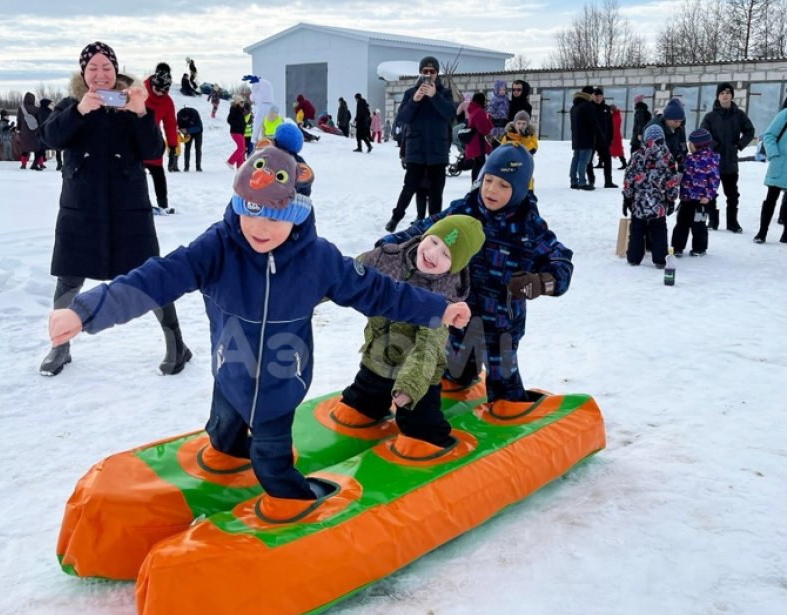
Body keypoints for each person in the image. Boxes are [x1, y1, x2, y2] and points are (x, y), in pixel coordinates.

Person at [46, 123, 472, 505]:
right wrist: (86, 311)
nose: (259, 227)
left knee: (271, 457)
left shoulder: (317, 260)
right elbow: (157, 278)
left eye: (275, 215)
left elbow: (380, 292)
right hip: (228, 371)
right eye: (251, 210)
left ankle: (292, 500)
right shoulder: (218, 247)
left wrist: (439, 307)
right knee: (224, 427)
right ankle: (228, 454)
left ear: (298, 214)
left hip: (279, 384)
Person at [38, 41, 191, 377]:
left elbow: (153, 150)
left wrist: (139, 113)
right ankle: (60, 346)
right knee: (69, 278)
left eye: (106, 67)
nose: (100, 74)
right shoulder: (71, 106)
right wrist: (79, 111)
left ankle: (177, 345)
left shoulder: (132, 104)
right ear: (83, 73)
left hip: (127, 210)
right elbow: (50, 138)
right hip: (81, 209)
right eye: (92, 68)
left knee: (151, 276)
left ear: (116, 71)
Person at [379, 144, 574, 402]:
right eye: (489, 180)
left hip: (501, 324)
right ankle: (458, 385)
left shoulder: (528, 229)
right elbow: (427, 229)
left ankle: (510, 411)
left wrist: (540, 282)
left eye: (504, 185)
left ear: (519, 189)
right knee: (456, 370)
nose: (492, 190)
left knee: (503, 381)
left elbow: (561, 262)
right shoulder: (464, 212)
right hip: (460, 314)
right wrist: (392, 244)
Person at [338, 215, 485, 450]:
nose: (433, 254)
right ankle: (369, 407)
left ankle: (431, 442)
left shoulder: (443, 298)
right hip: (377, 359)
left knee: (418, 422)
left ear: (455, 265)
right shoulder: (386, 259)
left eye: (446, 254)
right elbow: (343, 278)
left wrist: (409, 388)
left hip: (419, 374)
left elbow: (428, 348)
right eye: (434, 241)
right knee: (360, 404)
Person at [384, 56, 453, 232]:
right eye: (425, 71)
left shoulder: (444, 93)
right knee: (410, 186)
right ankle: (395, 218)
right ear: (420, 73)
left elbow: (449, 115)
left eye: (432, 72)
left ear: (437, 73)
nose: (428, 75)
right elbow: (402, 119)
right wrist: (415, 100)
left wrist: (435, 96)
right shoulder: (410, 93)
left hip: (437, 150)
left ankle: (434, 225)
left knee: (436, 192)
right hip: (416, 149)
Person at [622, 124, 680, 268]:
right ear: (663, 138)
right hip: (658, 203)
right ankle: (660, 259)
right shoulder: (668, 157)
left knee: (637, 230)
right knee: (659, 230)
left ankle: (634, 258)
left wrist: (627, 197)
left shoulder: (637, 155)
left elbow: (629, 178)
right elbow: (671, 180)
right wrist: (671, 199)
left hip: (639, 202)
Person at [700, 82, 755, 233]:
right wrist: (714, 145)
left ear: (732, 95)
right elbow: (703, 134)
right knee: (710, 192)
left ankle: (732, 222)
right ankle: (713, 220)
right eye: (722, 93)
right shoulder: (710, 117)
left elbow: (750, 131)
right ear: (718, 96)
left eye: (728, 92)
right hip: (713, 162)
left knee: (732, 194)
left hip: (731, 162)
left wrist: (739, 145)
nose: (725, 95)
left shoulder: (739, 115)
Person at [670, 129, 719, 256]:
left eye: (690, 143)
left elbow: (714, 180)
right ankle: (677, 247)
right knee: (682, 223)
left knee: (699, 225)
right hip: (686, 199)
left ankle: (699, 248)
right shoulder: (688, 159)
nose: (688, 145)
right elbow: (681, 174)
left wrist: (708, 196)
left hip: (701, 201)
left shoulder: (711, 160)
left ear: (697, 144)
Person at [143, 62, 178, 214]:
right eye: (157, 89)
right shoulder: (139, 91)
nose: (159, 93)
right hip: (133, 142)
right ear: (153, 83)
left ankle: (163, 205)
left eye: (163, 91)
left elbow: (170, 125)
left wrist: (172, 147)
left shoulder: (167, 102)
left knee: (158, 173)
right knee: (135, 175)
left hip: (152, 142)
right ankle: (136, 202)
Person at [753, 102, 787, 244]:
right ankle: (762, 233)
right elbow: (769, 135)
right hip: (781, 163)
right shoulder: (785, 114)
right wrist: (774, 155)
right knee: (771, 198)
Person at [569, 85, 601, 190]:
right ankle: (582, 182)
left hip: (576, 137)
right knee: (584, 160)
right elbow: (593, 123)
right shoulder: (588, 105)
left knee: (576, 159)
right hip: (587, 137)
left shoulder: (574, 106)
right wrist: (600, 136)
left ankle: (573, 181)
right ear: (590, 94)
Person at [500, 111, 537, 192]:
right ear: (514, 124)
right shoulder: (508, 136)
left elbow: (533, 150)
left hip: (525, 166)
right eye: (519, 123)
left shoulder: (531, 135)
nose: (521, 126)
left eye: (524, 124)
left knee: (527, 188)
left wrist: (525, 139)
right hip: (511, 167)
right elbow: (502, 152)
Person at [645, 98, 687, 169]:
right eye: (675, 121)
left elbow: (682, 144)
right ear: (667, 118)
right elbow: (650, 149)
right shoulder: (654, 128)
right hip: (655, 166)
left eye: (680, 121)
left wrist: (680, 156)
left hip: (670, 164)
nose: (678, 124)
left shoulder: (680, 127)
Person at [588, 88, 617, 188]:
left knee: (607, 160)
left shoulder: (606, 108)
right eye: (596, 96)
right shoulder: (589, 107)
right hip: (591, 139)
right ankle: (591, 180)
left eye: (600, 96)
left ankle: (608, 181)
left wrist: (610, 139)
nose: (598, 98)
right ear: (592, 96)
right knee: (589, 160)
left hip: (603, 139)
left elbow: (610, 125)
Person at [462, 92, 493, 185]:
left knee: (477, 164)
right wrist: (489, 127)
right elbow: (483, 129)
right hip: (479, 144)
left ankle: (475, 184)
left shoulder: (473, 110)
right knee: (480, 164)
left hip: (474, 143)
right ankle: (477, 184)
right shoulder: (479, 112)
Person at [17, 91, 44, 170]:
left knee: (24, 149)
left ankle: (23, 164)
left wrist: (18, 130)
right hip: (35, 132)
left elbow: (19, 120)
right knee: (37, 149)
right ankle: (40, 164)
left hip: (24, 132)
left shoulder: (21, 109)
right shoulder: (37, 109)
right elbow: (40, 120)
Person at [176, 105, 203, 171]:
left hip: (197, 132)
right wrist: (181, 130)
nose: (184, 120)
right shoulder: (179, 115)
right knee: (187, 148)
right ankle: (186, 166)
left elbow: (199, 128)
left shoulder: (194, 113)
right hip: (187, 133)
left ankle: (198, 166)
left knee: (198, 148)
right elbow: (179, 125)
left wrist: (187, 130)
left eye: (185, 118)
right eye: (183, 119)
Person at [226, 97, 247, 168]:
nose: (242, 103)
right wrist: (236, 124)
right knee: (241, 148)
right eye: (241, 102)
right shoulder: (234, 109)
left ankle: (240, 167)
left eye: (243, 102)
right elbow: (229, 120)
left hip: (241, 132)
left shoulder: (241, 110)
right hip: (235, 132)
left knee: (242, 149)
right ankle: (230, 162)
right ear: (237, 102)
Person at [610, 103, 627, 169]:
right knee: (616, 150)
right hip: (615, 136)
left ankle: (624, 163)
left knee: (618, 151)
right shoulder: (615, 116)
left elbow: (614, 128)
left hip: (615, 136)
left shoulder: (615, 117)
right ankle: (624, 163)